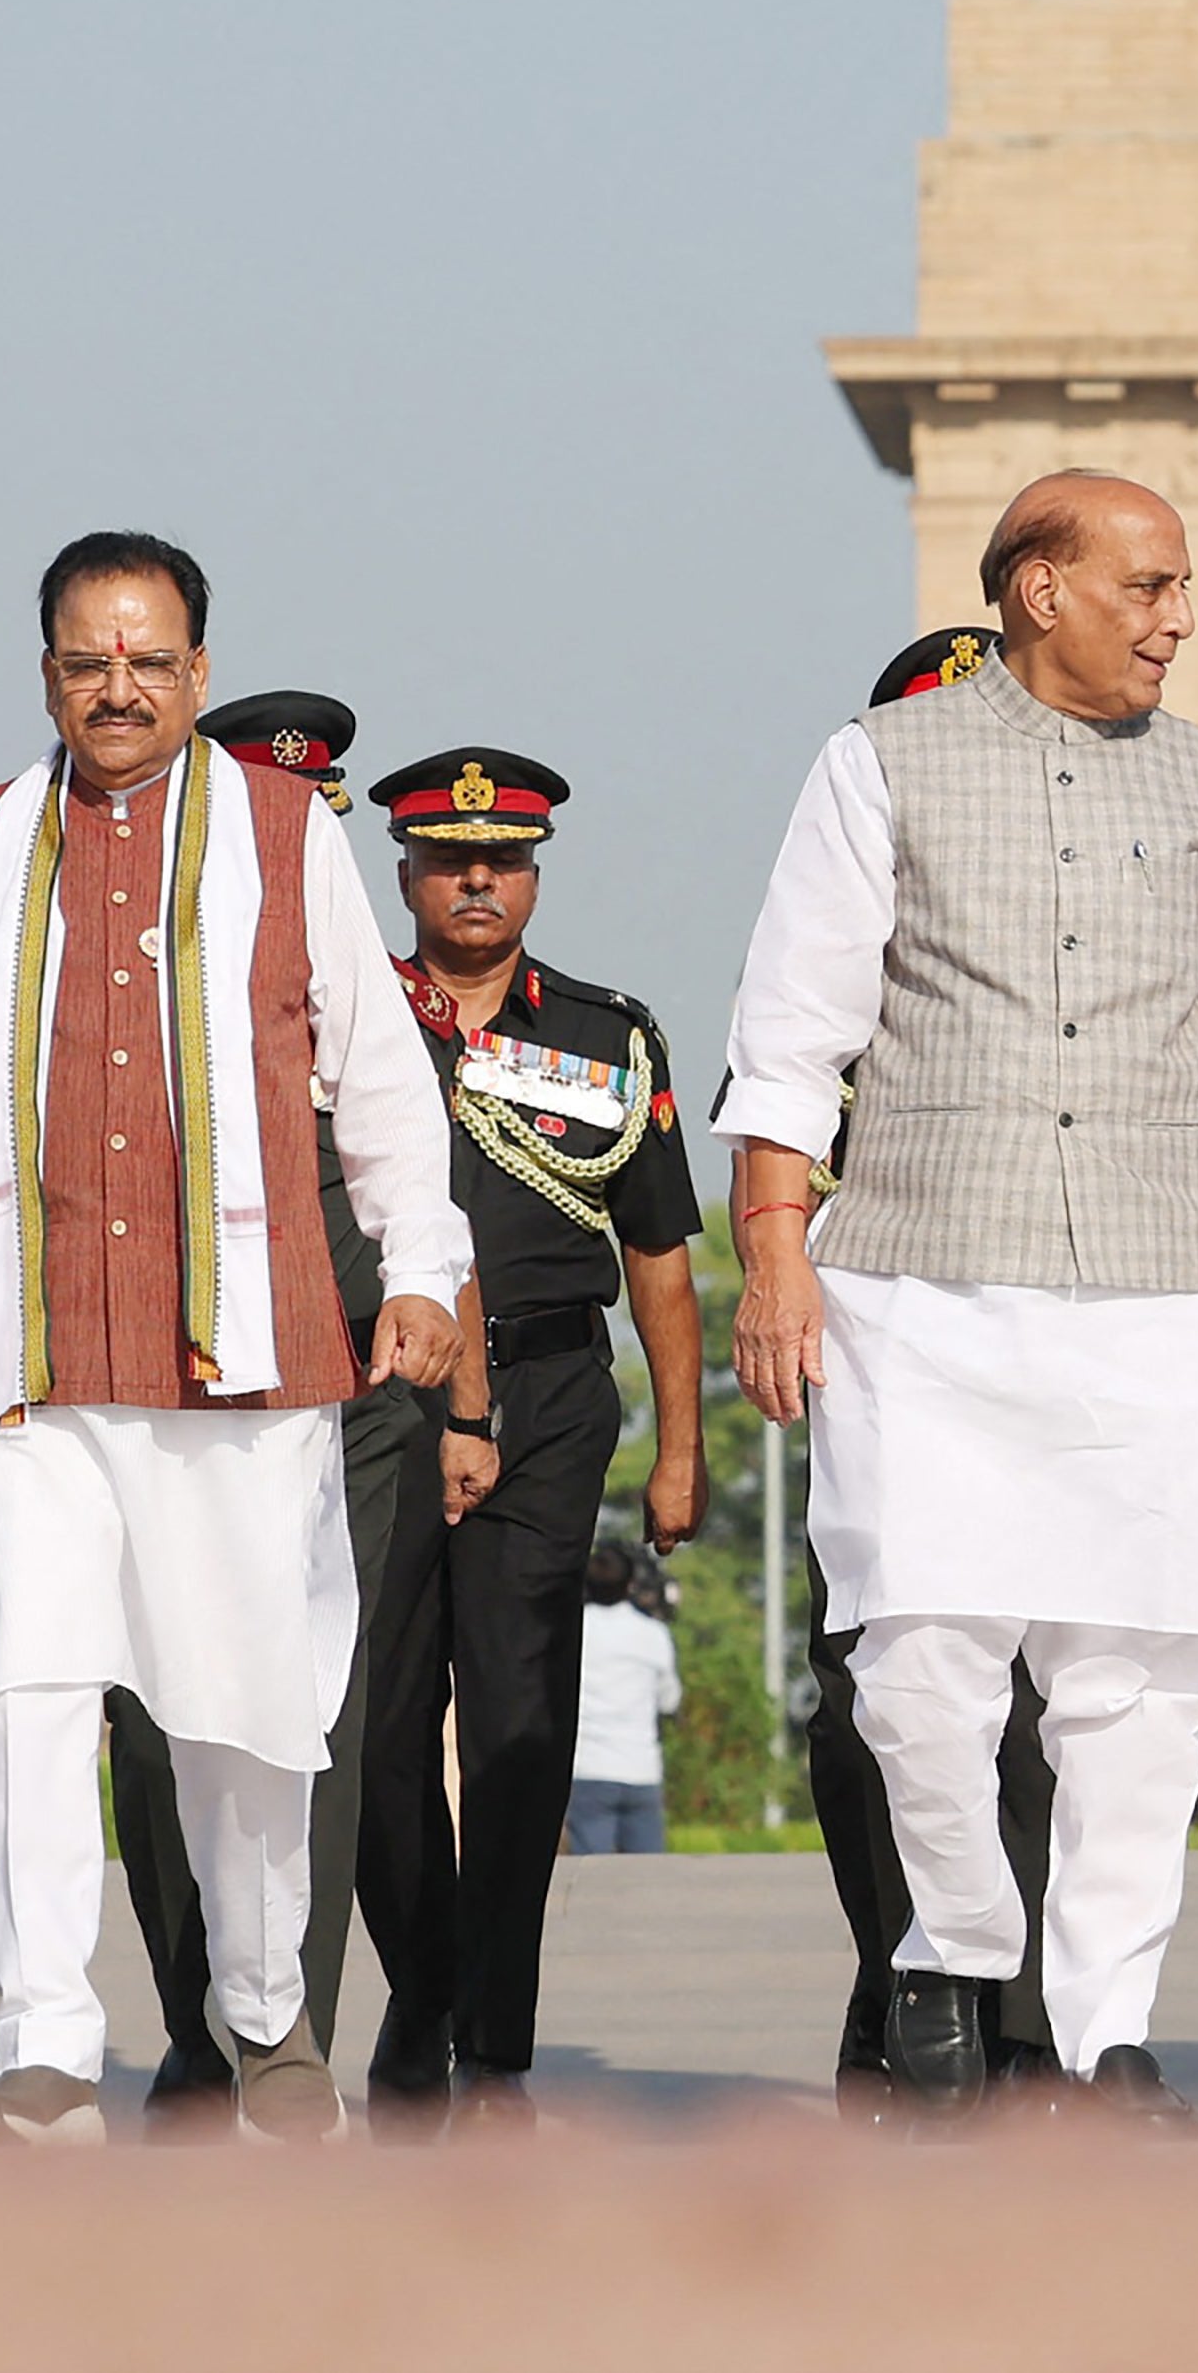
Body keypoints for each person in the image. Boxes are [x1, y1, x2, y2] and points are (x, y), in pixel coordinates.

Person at [719, 471, 1198, 2134]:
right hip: (924, 1286)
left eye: (1182, 585)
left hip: (1164, 1294)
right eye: (1145, 582)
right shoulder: (879, 767)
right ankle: (946, 1950)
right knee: (923, 1659)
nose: (1177, 617)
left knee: (1137, 1687)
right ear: (1034, 587)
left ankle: (1101, 2035)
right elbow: (790, 1035)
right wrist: (772, 1254)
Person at [0, 534, 468, 2141]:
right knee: (30, 1696)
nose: (117, 686)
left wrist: (424, 1269)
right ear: (45, 670)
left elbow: (380, 1077)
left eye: (149, 659)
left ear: (196, 670)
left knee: (246, 1706)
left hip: (239, 1358)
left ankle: (267, 2021)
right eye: (85, 659)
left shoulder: (281, 833)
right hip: (27, 1360)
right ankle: (44, 2047)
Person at [349, 745, 708, 2131]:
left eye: (501, 859)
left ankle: (492, 2044)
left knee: (516, 1728)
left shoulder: (606, 1034)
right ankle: (423, 1987)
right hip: (382, 1397)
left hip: (553, 1400)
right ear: (409, 876)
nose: (477, 879)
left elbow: (664, 1253)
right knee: (378, 1730)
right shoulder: (353, 1016)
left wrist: (679, 1448)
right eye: (451, 860)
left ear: (536, 874)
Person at [104, 685, 441, 2136]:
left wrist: (458, 1378)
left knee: (315, 1699)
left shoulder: (333, 929)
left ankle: (283, 2034)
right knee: (151, 1701)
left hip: (338, 1362)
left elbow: (403, 1153)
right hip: (147, 1363)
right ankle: (196, 2022)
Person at [793, 624, 1068, 2119]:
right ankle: (899, 1984)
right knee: (873, 1711)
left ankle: (1027, 2025)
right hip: (892, 1389)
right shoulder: (836, 970)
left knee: (1047, 1715)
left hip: (1063, 1376)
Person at [567, 1544, 680, 1852]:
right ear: (631, 1584)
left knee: (591, 1876)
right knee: (646, 1880)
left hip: (587, 1768)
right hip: (640, 1768)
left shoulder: (573, 1630)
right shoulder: (652, 1633)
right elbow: (669, 1700)